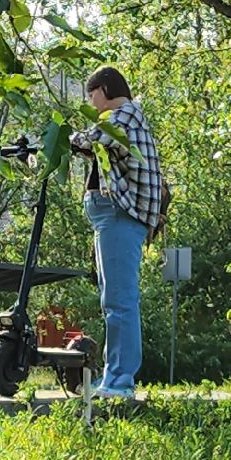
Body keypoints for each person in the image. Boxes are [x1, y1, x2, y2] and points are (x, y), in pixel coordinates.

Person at [69, 66, 168, 400]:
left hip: (120, 216)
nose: (91, 103)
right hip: (113, 216)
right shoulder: (123, 120)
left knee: (120, 301)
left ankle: (120, 381)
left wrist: (69, 137)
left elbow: (90, 138)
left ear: (105, 89)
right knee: (114, 299)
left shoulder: (122, 116)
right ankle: (115, 376)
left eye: (92, 95)